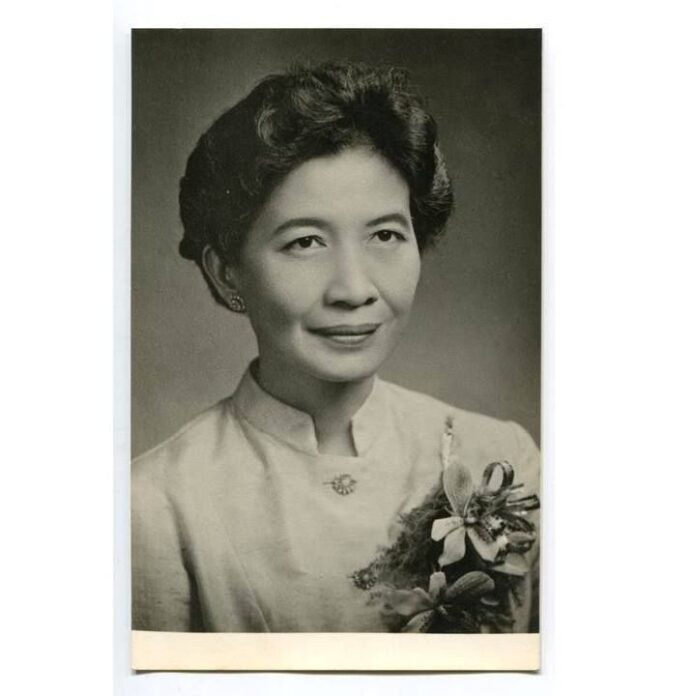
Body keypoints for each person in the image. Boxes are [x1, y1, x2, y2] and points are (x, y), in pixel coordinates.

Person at [131, 61, 540, 633]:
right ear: (226, 274)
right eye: (305, 242)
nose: (353, 289)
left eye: (385, 235)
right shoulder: (157, 507)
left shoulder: (501, 459)